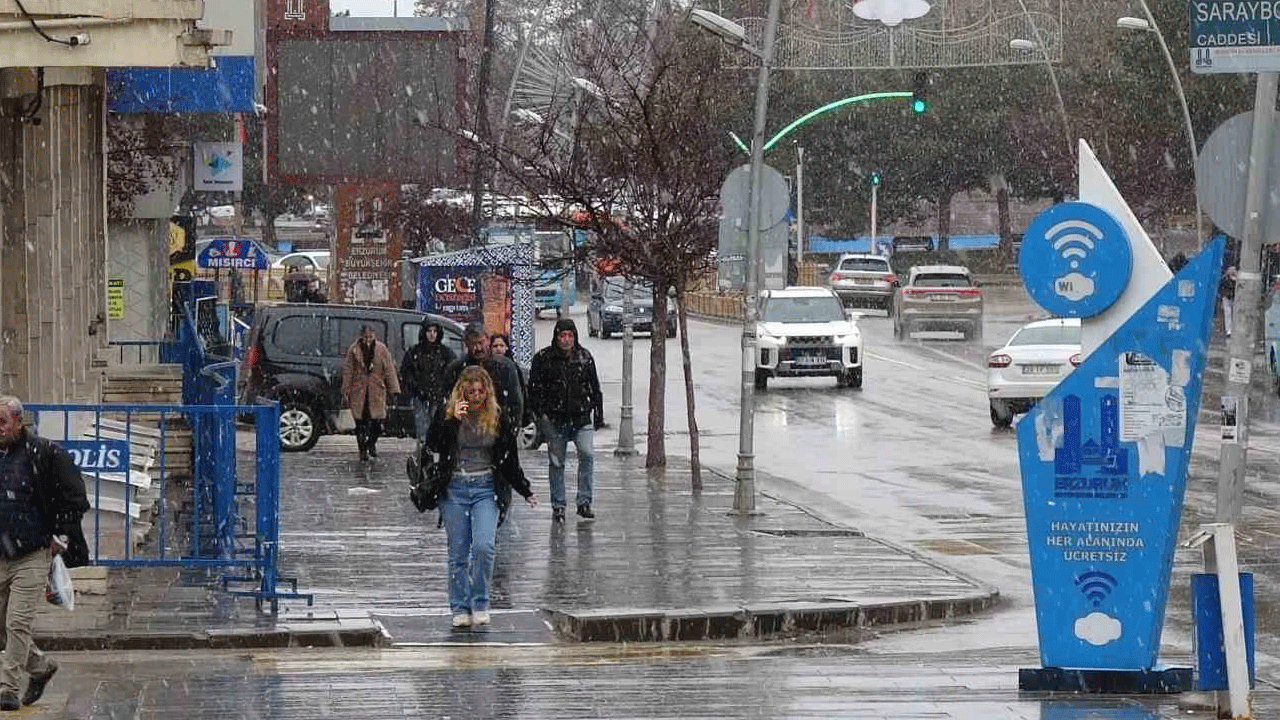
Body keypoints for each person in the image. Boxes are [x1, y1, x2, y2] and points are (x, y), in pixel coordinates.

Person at [422, 366, 537, 629]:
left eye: (480, 391)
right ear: (461, 391)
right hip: (455, 488)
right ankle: (460, 606)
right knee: (459, 552)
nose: (475, 396)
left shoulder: (497, 417)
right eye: (470, 391)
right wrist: (452, 421)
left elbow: (509, 460)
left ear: (487, 392)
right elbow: (433, 445)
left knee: (484, 547)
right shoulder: (448, 413)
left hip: (486, 486)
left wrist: (524, 488)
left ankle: (480, 602)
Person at [0, 396, 89, 710]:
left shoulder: (44, 453)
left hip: (32, 553)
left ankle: (7, 689)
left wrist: (61, 535)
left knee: (17, 623)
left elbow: (75, 497)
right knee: (1, 628)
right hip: (2, 553)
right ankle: (39, 667)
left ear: (18, 422)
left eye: (2, 423)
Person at [527, 318, 604, 524]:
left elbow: (594, 386)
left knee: (587, 455)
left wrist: (597, 413)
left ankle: (584, 502)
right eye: (562, 336)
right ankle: (558, 505)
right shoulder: (544, 359)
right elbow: (534, 389)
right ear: (556, 337)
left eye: (570, 336)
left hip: (581, 417)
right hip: (555, 419)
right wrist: (541, 413)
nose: (566, 340)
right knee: (557, 462)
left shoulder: (584, 357)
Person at [442, 324, 525, 436]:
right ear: (467, 344)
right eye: (474, 344)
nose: (478, 348)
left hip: (497, 430)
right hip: (466, 432)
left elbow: (515, 401)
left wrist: (512, 428)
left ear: (488, 340)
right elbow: (447, 401)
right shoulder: (456, 368)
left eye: (481, 342)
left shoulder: (505, 366)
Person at [341, 325, 401, 461]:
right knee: (360, 423)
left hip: (376, 391)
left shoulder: (381, 349)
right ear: (361, 336)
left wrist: (394, 389)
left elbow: (389, 370)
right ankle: (362, 450)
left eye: (370, 336)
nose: (368, 339)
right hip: (359, 391)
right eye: (365, 337)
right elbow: (348, 370)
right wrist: (345, 390)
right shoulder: (354, 349)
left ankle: (371, 444)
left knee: (377, 423)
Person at [400, 321, 457, 444]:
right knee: (422, 429)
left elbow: (452, 372)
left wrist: (444, 389)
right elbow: (406, 372)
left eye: (435, 331)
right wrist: (415, 388)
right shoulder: (414, 351)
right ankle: (425, 452)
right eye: (429, 331)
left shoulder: (445, 353)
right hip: (420, 396)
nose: (432, 334)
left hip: (439, 396)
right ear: (424, 332)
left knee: (437, 427)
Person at [489, 333, 532, 428]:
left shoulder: (512, 367)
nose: (498, 349)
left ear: (507, 347)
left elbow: (520, 394)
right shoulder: (487, 367)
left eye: (501, 345)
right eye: (495, 346)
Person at [1220, 265, 1238, 338]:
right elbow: (1221, 287)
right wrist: (1224, 294)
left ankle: (1232, 329)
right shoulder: (1225, 279)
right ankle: (1229, 330)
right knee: (1228, 313)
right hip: (1227, 297)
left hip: (1233, 297)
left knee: (1233, 313)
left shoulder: (1236, 280)